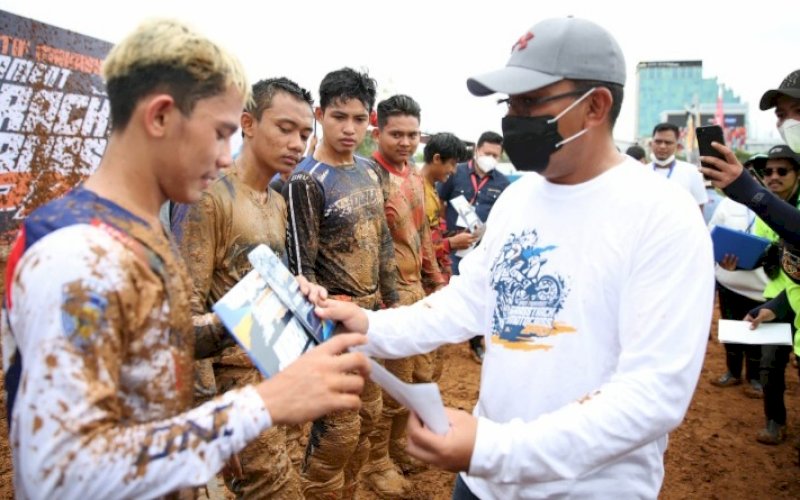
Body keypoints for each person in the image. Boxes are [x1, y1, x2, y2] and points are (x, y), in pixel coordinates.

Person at [314, 16, 713, 499]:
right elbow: (469, 302)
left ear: (596, 106)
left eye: (532, 101)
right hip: (484, 483)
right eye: (511, 103)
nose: (514, 118)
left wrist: (493, 448)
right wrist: (370, 327)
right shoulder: (519, 201)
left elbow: (653, 395)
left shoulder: (661, 216)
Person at [0, 19, 369, 498]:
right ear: (159, 117)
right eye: (219, 133)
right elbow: (60, 474)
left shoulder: (136, 229)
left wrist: (273, 303)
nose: (224, 157)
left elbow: (163, 342)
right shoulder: (79, 255)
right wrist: (257, 407)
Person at [170, 77, 315, 497]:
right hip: (234, 388)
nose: (297, 144)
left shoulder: (278, 200)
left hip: (277, 376)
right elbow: (183, 319)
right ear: (248, 124)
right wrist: (207, 413)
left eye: (305, 134)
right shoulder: (209, 197)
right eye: (285, 128)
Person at [282, 67, 399, 498]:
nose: (350, 129)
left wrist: (394, 302)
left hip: (372, 318)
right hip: (334, 321)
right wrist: (321, 335)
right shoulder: (306, 180)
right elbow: (301, 269)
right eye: (338, 117)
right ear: (319, 115)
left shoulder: (370, 171)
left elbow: (383, 239)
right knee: (337, 432)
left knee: (369, 418)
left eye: (358, 118)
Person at [700, 71, 800, 445]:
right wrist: (778, 306)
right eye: (782, 114)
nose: (787, 122)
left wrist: (748, 190)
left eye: (797, 110)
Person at [368, 95, 446, 487]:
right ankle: (376, 461)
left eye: (412, 134)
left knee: (418, 377)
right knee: (392, 385)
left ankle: (398, 445)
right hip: (391, 296)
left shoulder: (414, 175)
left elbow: (423, 237)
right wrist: (387, 300)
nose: (404, 141)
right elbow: (375, 245)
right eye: (396, 134)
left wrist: (436, 281)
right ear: (377, 131)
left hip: (419, 290)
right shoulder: (370, 178)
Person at [438, 131, 508, 362]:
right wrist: (442, 236)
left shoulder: (503, 183)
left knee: (480, 294)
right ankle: (439, 338)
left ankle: (476, 342)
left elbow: (502, 218)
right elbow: (438, 202)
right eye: (487, 153)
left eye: (496, 155)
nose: (491, 158)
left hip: (480, 250)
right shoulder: (454, 172)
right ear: (477, 150)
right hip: (451, 246)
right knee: (445, 289)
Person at [707, 158, 770, 398]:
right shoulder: (727, 205)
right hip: (729, 281)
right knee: (732, 327)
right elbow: (713, 233)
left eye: (758, 176)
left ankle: (754, 377)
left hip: (762, 286)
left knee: (756, 331)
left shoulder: (777, 208)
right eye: (749, 175)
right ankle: (733, 372)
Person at [421, 133, 469, 281]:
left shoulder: (432, 187)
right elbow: (413, 246)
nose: (454, 171)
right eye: (452, 164)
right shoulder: (416, 191)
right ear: (436, 159)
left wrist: (454, 235)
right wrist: (451, 243)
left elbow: (431, 232)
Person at [650, 122, 708, 210]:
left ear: (677, 145)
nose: (662, 146)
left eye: (668, 142)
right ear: (651, 143)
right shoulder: (641, 171)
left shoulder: (691, 172)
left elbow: (699, 206)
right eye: (658, 141)